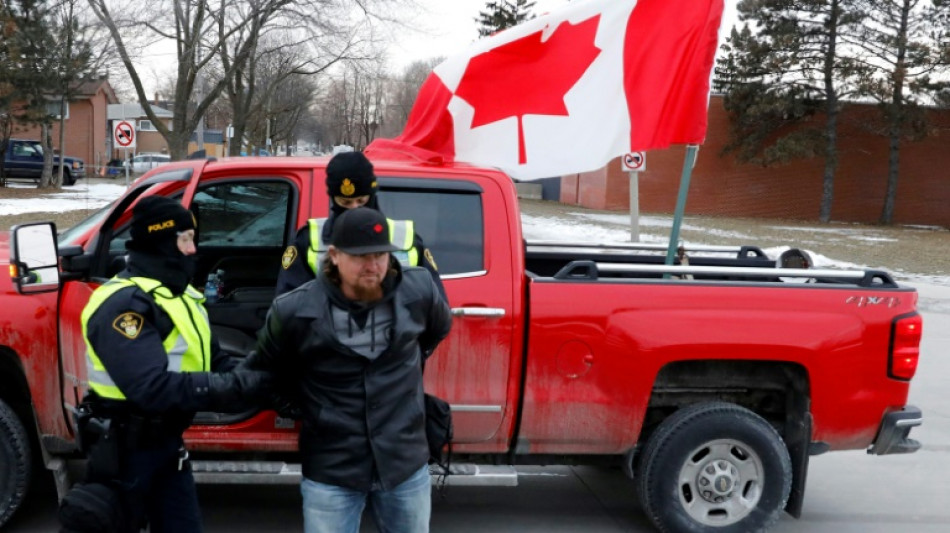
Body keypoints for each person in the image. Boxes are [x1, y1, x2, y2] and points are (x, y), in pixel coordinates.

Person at [61, 196, 271, 533]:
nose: (193, 250)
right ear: (160, 242)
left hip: (167, 446)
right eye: (185, 239)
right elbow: (150, 388)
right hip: (127, 455)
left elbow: (216, 361)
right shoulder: (125, 303)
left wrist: (264, 382)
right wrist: (226, 388)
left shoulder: (182, 296)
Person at [246, 207, 452, 533]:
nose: (373, 266)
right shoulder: (295, 309)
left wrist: (400, 372)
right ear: (334, 256)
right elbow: (264, 369)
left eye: (380, 255)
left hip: (403, 464)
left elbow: (435, 332)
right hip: (332, 470)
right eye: (360, 257)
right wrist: (298, 405)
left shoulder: (420, 290)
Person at [275, 150, 444, 297]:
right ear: (334, 200)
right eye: (345, 203)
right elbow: (288, 310)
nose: (354, 209)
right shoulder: (309, 240)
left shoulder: (406, 239)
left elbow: (434, 308)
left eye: (361, 201)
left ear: (372, 196)